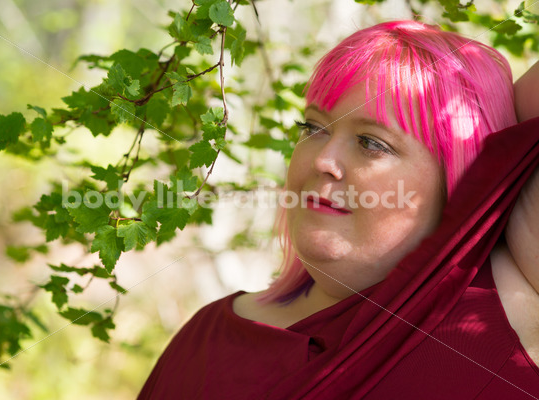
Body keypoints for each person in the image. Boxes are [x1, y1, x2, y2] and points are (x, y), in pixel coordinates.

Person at [138, 20, 539, 399]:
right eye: (313, 128)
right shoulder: (207, 336)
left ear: (460, 177)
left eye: (371, 142)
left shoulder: (495, 332)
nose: (322, 160)